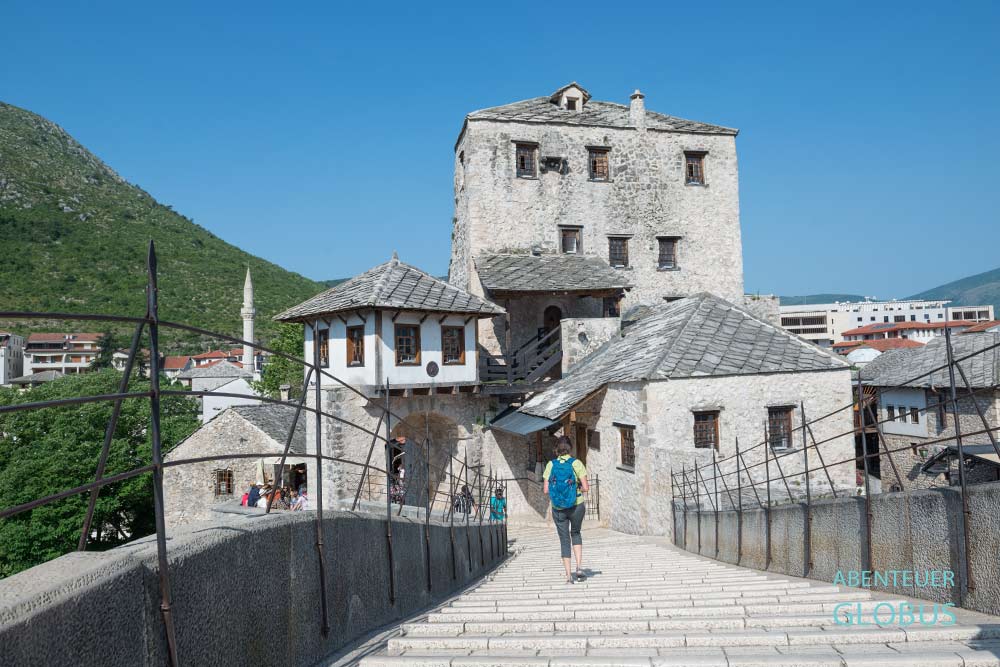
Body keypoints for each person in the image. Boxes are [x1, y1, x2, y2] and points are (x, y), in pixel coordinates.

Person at [543, 436, 589, 584]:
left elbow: (545, 490)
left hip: (558, 508)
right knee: (576, 533)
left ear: (557, 449)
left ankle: (568, 576)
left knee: (564, 540)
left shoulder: (551, 464)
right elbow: (586, 488)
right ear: (570, 448)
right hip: (576, 505)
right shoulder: (577, 463)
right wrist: (577, 488)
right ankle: (579, 568)